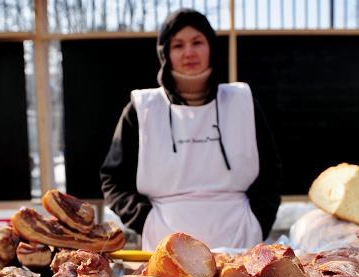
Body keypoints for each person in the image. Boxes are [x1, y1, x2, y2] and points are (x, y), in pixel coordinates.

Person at [100, 8, 282, 251]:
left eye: (197, 42)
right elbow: (113, 178)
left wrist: (259, 220)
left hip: (241, 243)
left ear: (211, 48)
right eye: (178, 45)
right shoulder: (142, 108)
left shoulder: (242, 101)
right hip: (165, 248)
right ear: (165, 53)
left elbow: (271, 172)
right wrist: (145, 221)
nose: (189, 52)